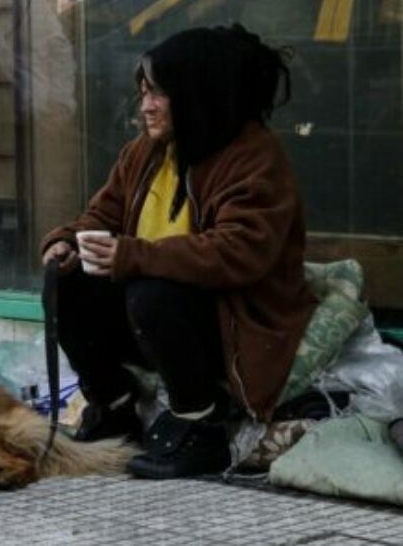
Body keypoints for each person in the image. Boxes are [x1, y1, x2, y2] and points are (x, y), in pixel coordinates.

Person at [39, 24, 315, 479]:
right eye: (143, 92)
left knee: (154, 291)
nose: (144, 106)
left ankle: (198, 424)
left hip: (232, 320)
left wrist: (133, 256)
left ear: (197, 95)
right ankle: (115, 408)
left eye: (158, 94)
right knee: (68, 284)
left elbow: (240, 251)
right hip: (156, 320)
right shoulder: (145, 152)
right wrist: (67, 242)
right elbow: (101, 217)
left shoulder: (254, 158)